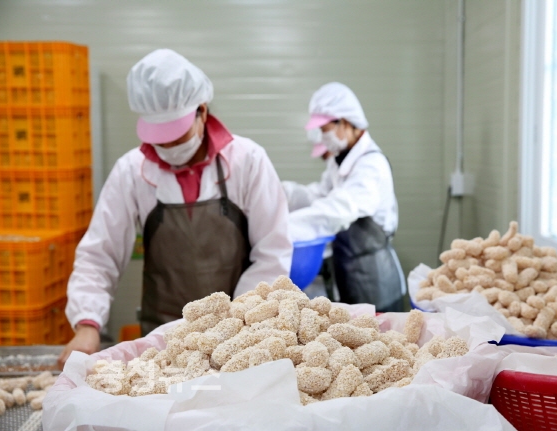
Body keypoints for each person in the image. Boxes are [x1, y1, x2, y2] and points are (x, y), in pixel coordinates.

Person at [58, 49, 292, 368]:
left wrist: (236, 323)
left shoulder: (248, 161)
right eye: (159, 138)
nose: (167, 147)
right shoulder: (131, 171)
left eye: (176, 135)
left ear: (202, 111)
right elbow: (99, 255)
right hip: (163, 341)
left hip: (239, 337)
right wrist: (87, 324)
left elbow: (273, 253)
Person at [283, 82, 406, 312]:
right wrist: (284, 193)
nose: (323, 137)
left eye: (325, 129)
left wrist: (284, 229)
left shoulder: (370, 165)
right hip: (350, 272)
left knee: (382, 333)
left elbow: (338, 209)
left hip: (376, 280)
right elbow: (320, 196)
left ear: (346, 122)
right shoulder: (340, 161)